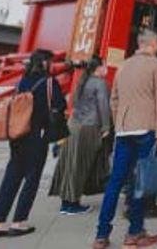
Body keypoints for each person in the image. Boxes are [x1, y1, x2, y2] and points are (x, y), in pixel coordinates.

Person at [93, 30, 157, 249]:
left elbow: (114, 99)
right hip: (146, 128)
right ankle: (134, 233)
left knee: (115, 182)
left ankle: (101, 235)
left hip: (124, 130)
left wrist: (120, 123)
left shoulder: (123, 66)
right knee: (139, 182)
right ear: (154, 44)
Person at [0, 50, 66, 240]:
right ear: (46, 63)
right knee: (32, 178)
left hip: (17, 133)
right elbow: (59, 104)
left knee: (12, 176)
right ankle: (19, 221)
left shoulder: (22, 81)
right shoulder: (48, 82)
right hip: (36, 135)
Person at [49, 56, 111, 216]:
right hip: (89, 128)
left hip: (73, 125)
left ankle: (66, 202)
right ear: (99, 68)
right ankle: (72, 204)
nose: (107, 68)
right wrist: (106, 127)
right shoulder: (100, 83)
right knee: (80, 165)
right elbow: (104, 106)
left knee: (70, 164)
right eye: (105, 65)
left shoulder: (83, 80)